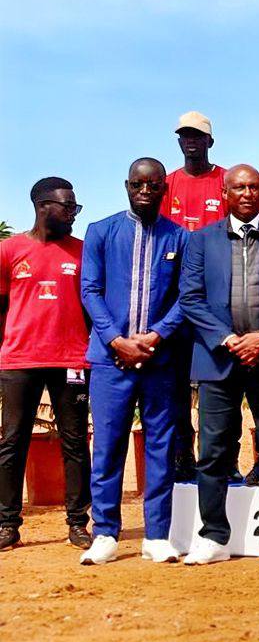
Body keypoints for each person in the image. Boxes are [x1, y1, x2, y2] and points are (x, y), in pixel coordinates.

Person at [179, 165, 259, 565]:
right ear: (226, 192)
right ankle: (214, 535)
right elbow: (191, 298)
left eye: (253, 186)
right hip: (219, 358)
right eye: (239, 187)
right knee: (214, 450)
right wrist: (228, 339)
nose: (247, 193)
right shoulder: (200, 241)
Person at [78, 159, 188, 565]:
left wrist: (156, 335)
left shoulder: (179, 237)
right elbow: (90, 290)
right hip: (111, 360)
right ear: (127, 185)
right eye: (138, 183)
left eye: (153, 184)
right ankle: (105, 532)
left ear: (164, 189)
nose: (145, 190)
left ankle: (157, 535)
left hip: (160, 360)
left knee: (161, 446)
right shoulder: (102, 232)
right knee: (107, 447)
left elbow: (186, 295)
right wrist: (116, 340)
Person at [0, 178, 92, 552]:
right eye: (66, 207)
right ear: (42, 207)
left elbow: (90, 307)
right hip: (20, 360)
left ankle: (77, 523)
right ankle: (7, 525)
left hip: (71, 359)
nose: (72, 214)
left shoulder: (82, 252)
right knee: (11, 443)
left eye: (75, 208)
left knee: (74, 443)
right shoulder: (9, 250)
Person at [162, 111, 226, 483]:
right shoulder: (167, 183)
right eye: (185, 135)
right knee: (175, 382)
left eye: (198, 136)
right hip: (175, 296)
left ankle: (222, 458)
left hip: (217, 295)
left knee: (219, 381)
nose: (191, 141)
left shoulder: (224, 180)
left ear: (209, 142)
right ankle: (183, 455)